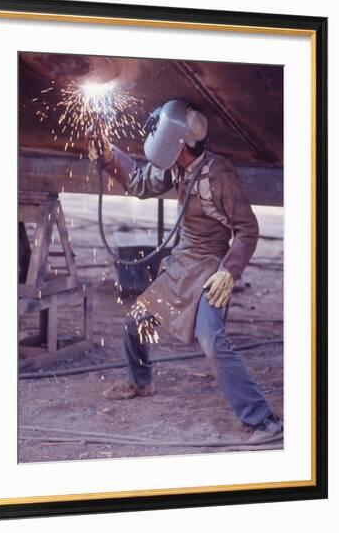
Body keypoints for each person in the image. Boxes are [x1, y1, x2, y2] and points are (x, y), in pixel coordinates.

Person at [88, 99, 282, 441]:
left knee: (211, 339)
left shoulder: (218, 175)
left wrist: (230, 270)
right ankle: (140, 381)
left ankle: (262, 420)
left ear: (176, 144)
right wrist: (108, 155)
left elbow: (248, 229)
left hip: (211, 268)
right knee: (136, 321)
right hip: (183, 261)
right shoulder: (174, 165)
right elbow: (137, 182)